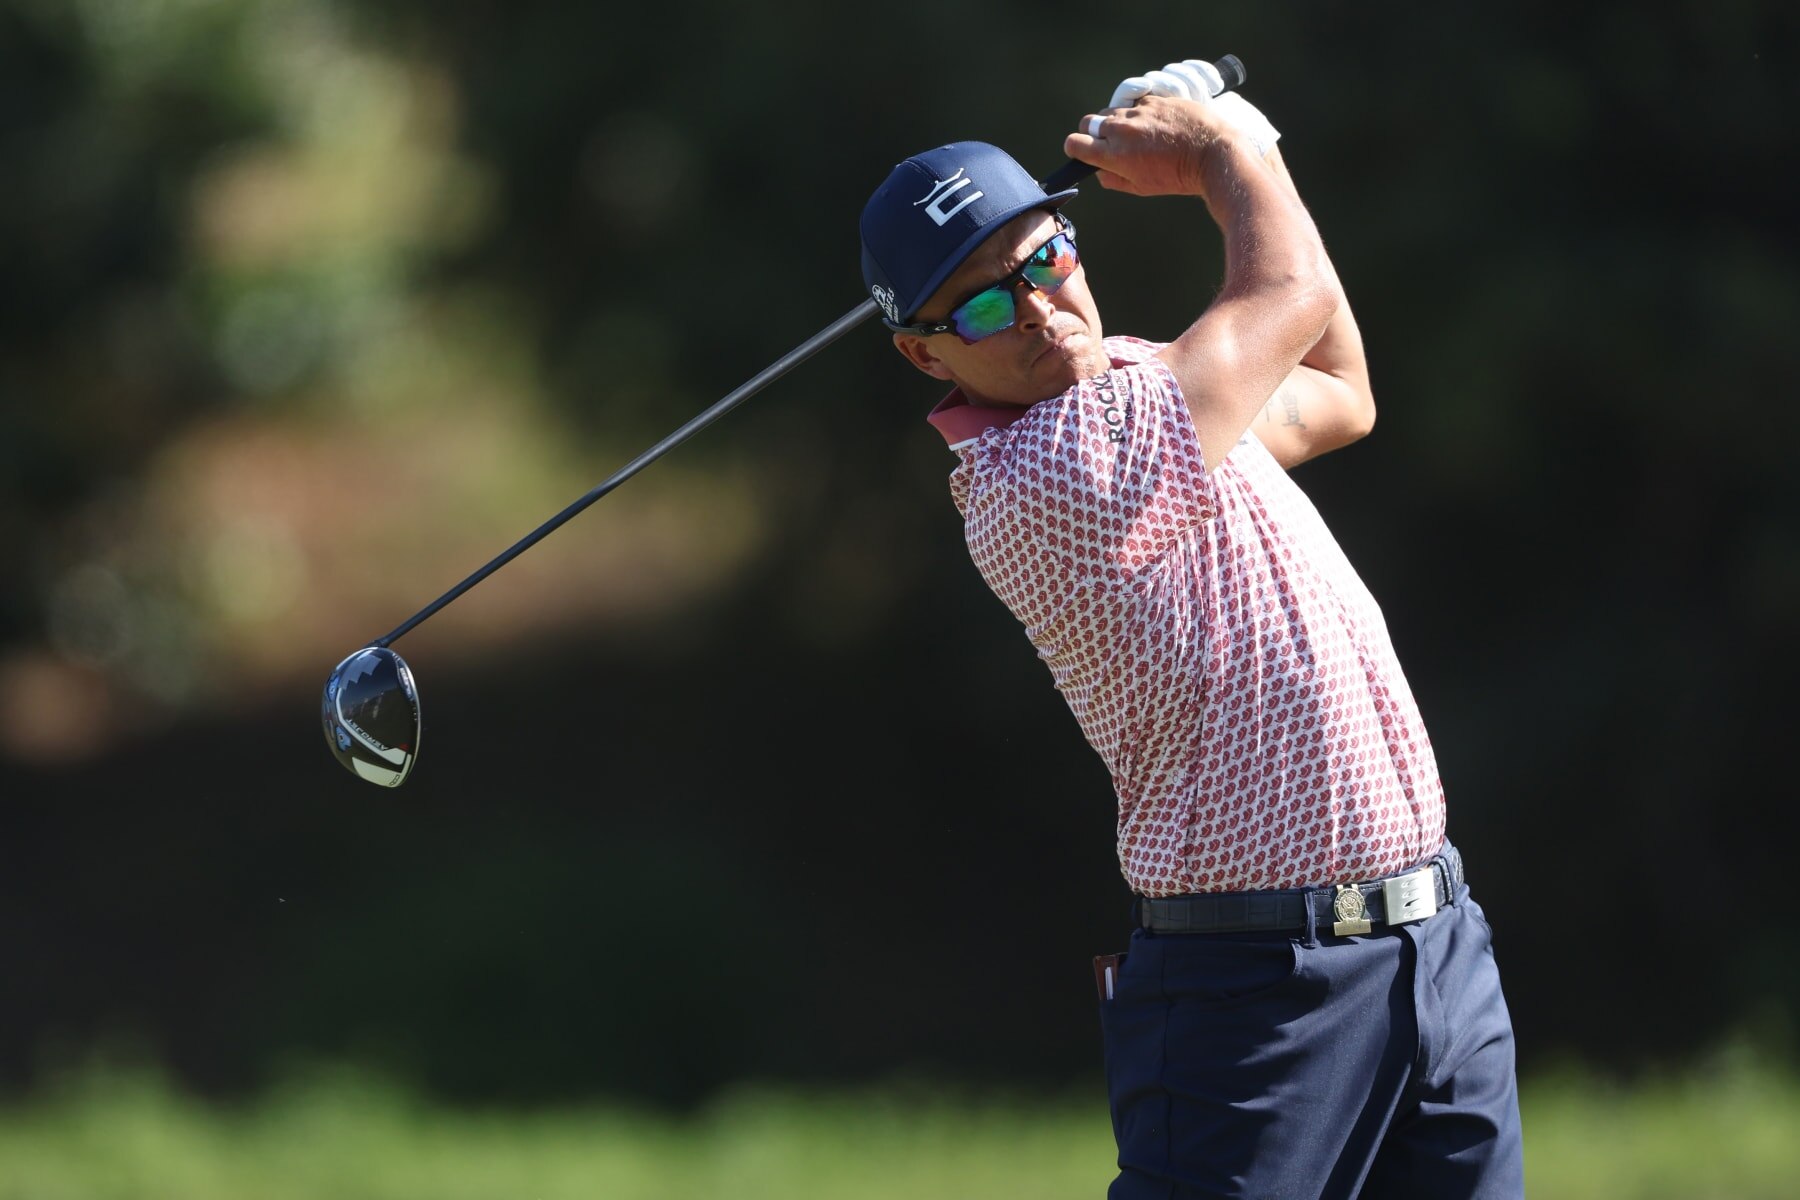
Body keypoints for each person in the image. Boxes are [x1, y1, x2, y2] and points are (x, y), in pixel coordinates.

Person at [857, 61, 1524, 1200]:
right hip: (1256, 993)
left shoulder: (1149, 385)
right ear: (925, 353)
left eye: (1045, 260)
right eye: (977, 305)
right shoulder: (1041, 476)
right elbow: (1292, 294)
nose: (1034, 309)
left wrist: (1247, 149)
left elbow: (1339, 386)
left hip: (1434, 949)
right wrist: (1224, 153)